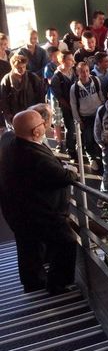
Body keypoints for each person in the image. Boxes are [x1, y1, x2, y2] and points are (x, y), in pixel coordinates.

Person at [0, 110, 78, 294]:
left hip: (16, 211)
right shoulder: (33, 155)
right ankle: (57, 285)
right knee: (67, 241)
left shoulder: (10, 141)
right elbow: (64, 176)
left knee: (28, 246)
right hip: (38, 213)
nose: (45, 124)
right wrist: (71, 169)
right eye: (42, 123)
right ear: (36, 132)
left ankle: (33, 283)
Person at [70, 62, 104, 171]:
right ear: (77, 73)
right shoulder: (74, 88)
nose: (85, 74)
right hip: (86, 116)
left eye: (86, 71)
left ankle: (101, 156)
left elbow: (100, 94)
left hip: (98, 114)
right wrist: (78, 120)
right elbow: (73, 105)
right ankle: (91, 158)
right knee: (88, 138)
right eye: (82, 71)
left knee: (99, 136)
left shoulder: (95, 80)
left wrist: (104, 109)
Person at [0, 54, 45, 130]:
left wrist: (40, 111)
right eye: (19, 68)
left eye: (24, 67)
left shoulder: (32, 77)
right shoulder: (6, 80)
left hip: (31, 113)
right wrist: (8, 115)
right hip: (14, 114)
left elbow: (40, 95)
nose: (22, 70)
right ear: (13, 67)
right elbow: (3, 100)